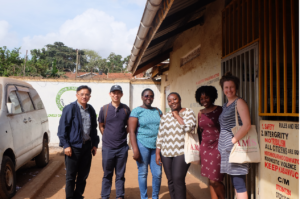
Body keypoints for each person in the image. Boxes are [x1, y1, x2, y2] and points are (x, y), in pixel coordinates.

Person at [57, 85, 99, 199]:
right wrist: (66, 145)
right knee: (71, 176)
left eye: (87, 94)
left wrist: (95, 144)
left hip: (87, 147)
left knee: (83, 175)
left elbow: (94, 129)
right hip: (73, 148)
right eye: (82, 94)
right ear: (77, 95)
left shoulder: (91, 109)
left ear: (89, 96)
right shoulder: (70, 108)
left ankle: (78, 195)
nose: (84, 96)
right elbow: (62, 129)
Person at [155, 92, 196, 199]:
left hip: (182, 151)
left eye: (175, 99)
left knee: (178, 178)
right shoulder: (165, 116)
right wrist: (158, 152)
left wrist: (177, 115)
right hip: (166, 152)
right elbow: (160, 134)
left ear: (180, 99)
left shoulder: (188, 112)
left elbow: (189, 128)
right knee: (171, 179)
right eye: (169, 101)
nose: (172, 102)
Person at [218, 72, 251, 199]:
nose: (229, 90)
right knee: (234, 182)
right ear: (223, 89)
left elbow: (246, 125)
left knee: (239, 183)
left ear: (236, 87)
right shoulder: (226, 105)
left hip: (236, 148)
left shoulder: (239, 102)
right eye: (226, 87)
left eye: (231, 87)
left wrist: (232, 141)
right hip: (227, 150)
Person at [128, 88, 162, 199]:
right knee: (143, 172)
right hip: (142, 143)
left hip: (156, 145)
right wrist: (135, 150)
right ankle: (144, 197)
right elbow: (132, 132)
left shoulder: (158, 111)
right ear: (142, 97)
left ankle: (155, 196)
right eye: (146, 96)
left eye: (151, 96)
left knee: (157, 174)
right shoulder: (136, 111)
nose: (149, 98)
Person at [98, 85, 131, 199]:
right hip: (108, 148)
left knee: (120, 174)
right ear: (110, 94)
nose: (116, 95)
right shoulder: (104, 109)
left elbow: (129, 125)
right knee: (107, 174)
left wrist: (122, 134)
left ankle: (120, 196)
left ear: (121, 94)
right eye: (113, 93)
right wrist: (107, 136)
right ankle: (105, 196)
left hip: (122, 148)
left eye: (118, 93)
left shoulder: (126, 109)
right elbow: (101, 125)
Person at [195, 86, 225, 199]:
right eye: (201, 99)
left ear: (212, 97)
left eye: (206, 97)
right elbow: (200, 130)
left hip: (218, 146)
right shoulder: (200, 113)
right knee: (209, 177)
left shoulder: (220, 110)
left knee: (215, 180)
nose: (204, 101)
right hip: (205, 147)